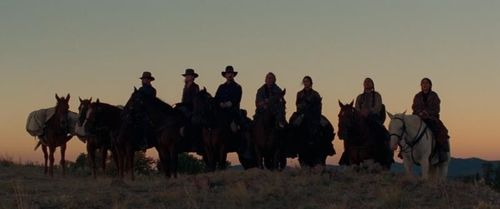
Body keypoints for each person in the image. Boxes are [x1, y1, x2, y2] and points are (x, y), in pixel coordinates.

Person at [412, 78, 450, 162]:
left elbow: (436, 109)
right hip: (418, 118)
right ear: (421, 86)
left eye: (426, 83)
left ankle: (441, 151)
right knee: (407, 129)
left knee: (440, 131)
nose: (424, 85)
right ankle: (406, 152)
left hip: (431, 118)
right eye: (423, 83)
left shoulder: (434, 96)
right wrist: (419, 113)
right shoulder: (417, 96)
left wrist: (427, 113)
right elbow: (414, 107)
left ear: (430, 85)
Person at [215, 66, 243, 130]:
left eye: (231, 73)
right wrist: (220, 103)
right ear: (225, 75)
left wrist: (228, 104)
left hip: (233, 113)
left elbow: (237, 99)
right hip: (221, 111)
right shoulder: (221, 87)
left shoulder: (237, 87)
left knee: (235, 129)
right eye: (228, 73)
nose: (230, 75)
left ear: (233, 75)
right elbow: (216, 98)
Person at [137, 71, 157, 150]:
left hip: (148, 111)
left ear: (149, 80)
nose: (143, 81)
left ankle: (145, 141)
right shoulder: (140, 89)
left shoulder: (152, 90)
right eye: (143, 79)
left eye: (145, 79)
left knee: (145, 123)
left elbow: (150, 102)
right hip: (139, 110)